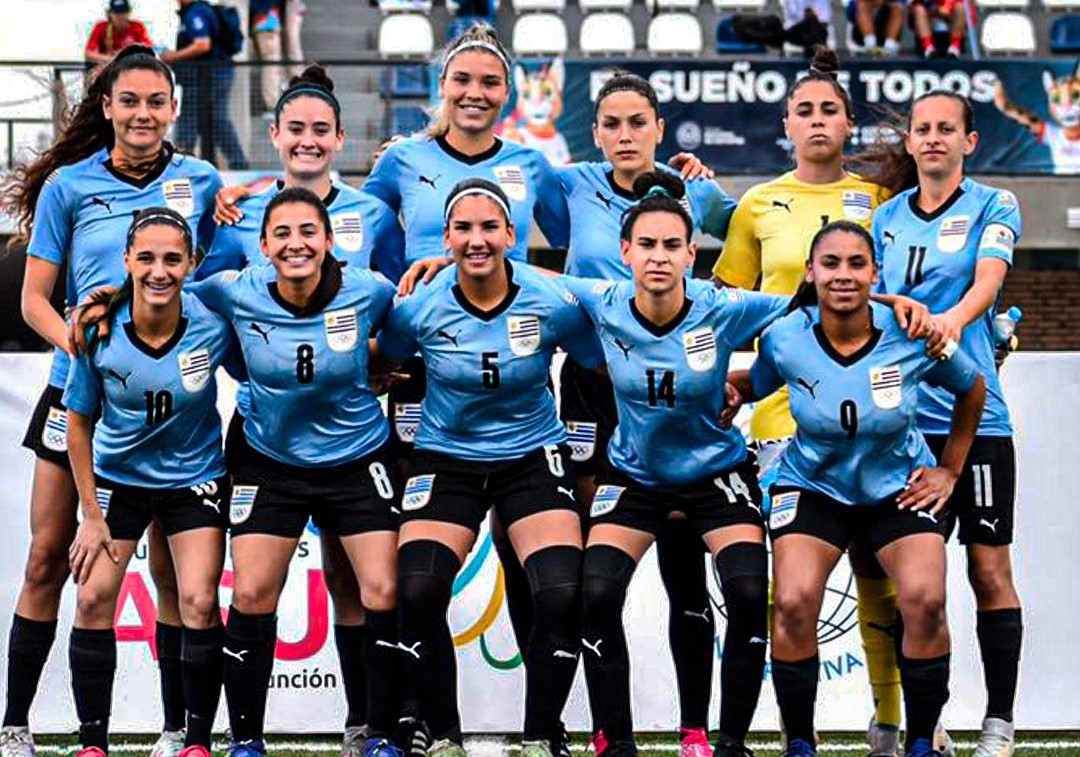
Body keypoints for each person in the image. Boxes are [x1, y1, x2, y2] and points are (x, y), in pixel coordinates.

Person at [0, 46, 221, 757]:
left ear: (174, 109)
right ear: (107, 108)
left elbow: (211, 287)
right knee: (46, 559)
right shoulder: (69, 185)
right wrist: (80, 345)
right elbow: (36, 298)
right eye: (130, 101)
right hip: (80, 396)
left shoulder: (202, 181)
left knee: (169, 572)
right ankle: (15, 722)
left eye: (157, 101)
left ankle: (173, 727)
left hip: (162, 410)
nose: (143, 114)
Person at [197, 65, 406, 757]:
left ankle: (372, 730)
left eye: (323, 129)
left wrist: (386, 358)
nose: (294, 243)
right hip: (268, 450)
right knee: (253, 588)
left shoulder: (370, 272)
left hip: (356, 451)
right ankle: (246, 739)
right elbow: (163, 289)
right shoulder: (233, 261)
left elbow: (405, 317)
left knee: (375, 585)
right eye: (297, 128)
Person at [710, 47, 911, 757]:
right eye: (806, 110)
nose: (818, 119)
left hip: (871, 425)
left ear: (849, 123)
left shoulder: (882, 202)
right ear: (786, 124)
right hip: (781, 425)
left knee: (878, 578)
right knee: (789, 592)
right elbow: (728, 303)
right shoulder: (759, 205)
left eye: (830, 109)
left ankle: (891, 723)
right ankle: (798, 732)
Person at [729, 220, 986, 757]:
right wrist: (726, 392)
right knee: (794, 602)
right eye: (830, 264)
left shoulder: (912, 332)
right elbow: (760, 381)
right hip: (813, 486)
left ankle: (921, 741)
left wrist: (950, 471)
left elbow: (972, 387)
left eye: (855, 264)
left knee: (925, 600)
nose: (842, 275)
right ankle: (799, 741)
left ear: (875, 273)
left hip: (896, 487)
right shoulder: (784, 335)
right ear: (810, 272)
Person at [562, 172, 790, 757]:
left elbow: (811, 305)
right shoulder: (602, 300)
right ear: (625, 253)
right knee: (595, 595)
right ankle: (616, 739)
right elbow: (523, 280)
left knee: (745, 591)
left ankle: (727, 740)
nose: (658, 257)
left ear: (691, 254)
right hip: (634, 475)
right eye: (646, 245)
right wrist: (442, 265)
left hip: (715, 474)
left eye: (671, 246)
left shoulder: (722, 306)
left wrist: (751, 382)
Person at [377, 178, 603, 757]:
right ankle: (444, 735)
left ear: (510, 234)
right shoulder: (420, 303)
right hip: (446, 456)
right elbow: (386, 359)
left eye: (488, 227)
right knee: (418, 589)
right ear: (446, 236)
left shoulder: (550, 298)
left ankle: (539, 737)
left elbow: (597, 358)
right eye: (463, 229)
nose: (477, 240)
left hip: (531, 456)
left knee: (559, 592)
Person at [558, 73, 736, 757]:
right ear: (595, 132)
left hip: (673, 394)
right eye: (611, 124)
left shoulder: (698, 191)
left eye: (638, 122)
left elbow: (743, 250)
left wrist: (717, 367)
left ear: (660, 127)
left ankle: (695, 727)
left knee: (685, 564)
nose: (625, 135)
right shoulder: (569, 183)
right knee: (591, 570)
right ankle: (610, 732)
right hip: (590, 391)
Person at [862, 90, 1024, 757]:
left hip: (976, 418)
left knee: (988, 571)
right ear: (911, 142)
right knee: (915, 583)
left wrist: (952, 326)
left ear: (969, 141)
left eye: (944, 129)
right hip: (901, 427)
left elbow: (988, 281)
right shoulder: (887, 218)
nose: (931, 138)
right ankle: (928, 719)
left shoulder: (995, 203)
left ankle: (1001, 723)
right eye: (921, 129)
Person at [64, 209, 238, 757]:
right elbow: (77, 421)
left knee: (196, 599)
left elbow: (265, 362)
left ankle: (192, 740)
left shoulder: (214, 323)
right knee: (92, 599)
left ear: (192, 263)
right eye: (146, 258)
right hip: (119, 480)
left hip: (196, 478)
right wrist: (91, 514)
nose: (159, 271)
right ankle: (93, 742)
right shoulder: (100, 329)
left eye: (171, 259)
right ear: (126, 262)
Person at [164, 0, 250, 169]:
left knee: (197, 120)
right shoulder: (195, 11)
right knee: (212, 120)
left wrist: (171, 57)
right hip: (207, 76)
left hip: (208, 77)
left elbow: (202, 44)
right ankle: (195, 162)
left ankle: (179, 165)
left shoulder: (196, 12)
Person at [85, 0, 154, 67]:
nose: (120, 16)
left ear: (129, 13)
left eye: (123, 12)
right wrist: (113, 59)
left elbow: (148, 50)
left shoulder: (137, 27)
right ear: (110, 14)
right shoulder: (101, 27)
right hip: (109, 66)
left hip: (131, 65)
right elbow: (89, 54)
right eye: (116, 13)